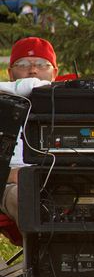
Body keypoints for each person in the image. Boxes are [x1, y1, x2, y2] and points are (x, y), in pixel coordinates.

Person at [1, 37, 59, 223]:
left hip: (63, 183)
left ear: (55, 72)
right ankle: (43, 252)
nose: (33, 70)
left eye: (42, 64)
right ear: (10, 73)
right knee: (26, 197)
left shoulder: (72, 105)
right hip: (12, 184)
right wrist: (12, 174)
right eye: (23, 64)